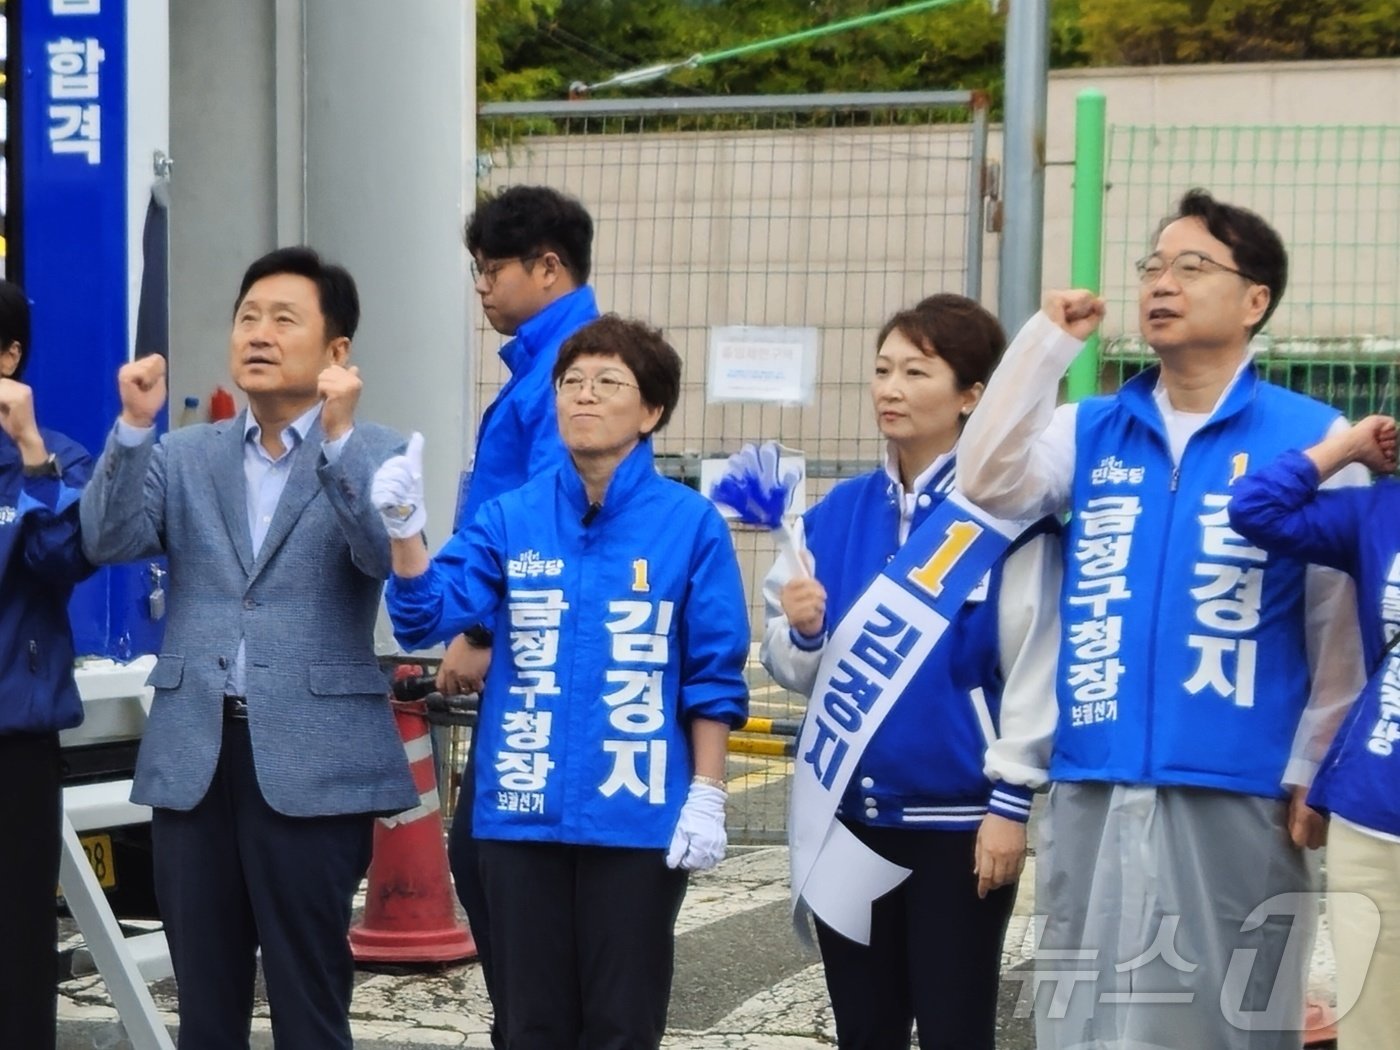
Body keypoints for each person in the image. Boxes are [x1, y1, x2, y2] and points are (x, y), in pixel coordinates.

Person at [957, 188, 1367, 1049]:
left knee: (1230, 1020)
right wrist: (1045, 347)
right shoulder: (1095, 426)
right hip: (1094, 775)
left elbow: (1339, 627)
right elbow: (987, 479)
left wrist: (1312, 766)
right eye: (1152, 266)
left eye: (1191, 267)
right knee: (1085, 1021)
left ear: (1255, 300)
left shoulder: (1315, 439)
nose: (1161, 284)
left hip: (1242, 784)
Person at [374, 314, 750, 1049]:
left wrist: (706, 793)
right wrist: (405, 531)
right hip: (520, 809)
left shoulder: (689, 523)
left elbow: (712, 673)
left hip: (636, 809)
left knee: (621, 1022)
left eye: (608, 382)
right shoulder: (511, 516)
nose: (583, 395)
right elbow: (424, 616)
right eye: (571, 382)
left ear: (651, 412)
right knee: (529, 1024)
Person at [80, 247, 417, 1050]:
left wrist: (335, 443)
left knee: (309, 994)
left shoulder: (380, 452)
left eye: (284, 320)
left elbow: (382, 556)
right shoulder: (184, 454)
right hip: (196, 755)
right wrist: (132, 429)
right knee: (205, 993)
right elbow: (106, 536)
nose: (258, 334)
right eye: (247, 318)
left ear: (337, 352)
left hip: (313, 762)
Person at [761, 294, 1061, 1050]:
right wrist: (802, 632)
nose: (889, 387)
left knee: (956, 1028)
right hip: (849, 822)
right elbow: (792, 666)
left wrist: (1011, 804)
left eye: (916, 372)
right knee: (865, 1029)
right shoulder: (834, 515)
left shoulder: (1005, 513)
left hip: (959, 829)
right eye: (882, 369)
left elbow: (1036, 661)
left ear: (972, 396)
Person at [438, 187, 600, 1038]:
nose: (482, 287)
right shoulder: (550, 361)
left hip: (537, 660)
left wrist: (478, 630)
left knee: (501, 864)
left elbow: (546, 515)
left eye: (491, 269)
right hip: (535, 654)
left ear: (548, 267)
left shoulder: (564, 370)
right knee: (497, 864)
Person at [1228, 415, 1400, 1049]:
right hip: (1376, 809)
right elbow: (1256, 510)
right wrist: (1347, 447)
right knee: (1375, 1031)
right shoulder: (1378, 512)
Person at [0, 281, 95, 1050]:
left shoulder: (60, 457)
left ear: (11, 355)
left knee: (19, 939)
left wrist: (31, 455)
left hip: (15, 742)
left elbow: (64, 560)